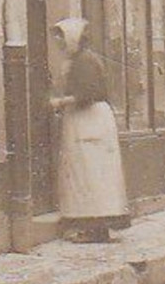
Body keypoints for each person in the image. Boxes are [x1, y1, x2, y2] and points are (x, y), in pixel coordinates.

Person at [49, 17, 131, 244]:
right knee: (90, 174)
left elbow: (86, 94)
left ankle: (93, 228)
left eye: (62, 41)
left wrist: (59, 102)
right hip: (86, 120)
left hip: (89, 120)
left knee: (91, 174)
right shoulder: (81, 60)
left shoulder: (84, 61)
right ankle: (96, 228)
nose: (60, 46)